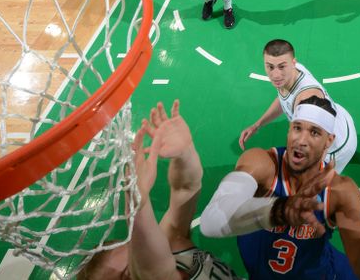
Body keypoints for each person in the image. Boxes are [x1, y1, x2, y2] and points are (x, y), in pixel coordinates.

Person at [202, 96, 360, 279]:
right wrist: (282, 209)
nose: (301, 140)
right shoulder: (261, 164)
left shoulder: (339, 191)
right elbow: (211, 221)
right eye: (297, 128)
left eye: (314, 132)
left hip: (322, 272)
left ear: (328, 141)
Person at [78, 100, 243, 279]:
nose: (138, 260)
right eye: (128, 275)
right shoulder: (155, 271)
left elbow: (186, 189)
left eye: (134, 251)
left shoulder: (172, 244)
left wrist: (185, 153)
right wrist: (137, 207)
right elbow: (152, 272)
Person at [239, 39, 358, 174]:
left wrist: (314, 173)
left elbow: (320, 141)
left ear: (293, 63)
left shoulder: (306, 100)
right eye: (270, 67)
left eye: (281, 67)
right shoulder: (291, 73)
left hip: (337, 148)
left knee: (321, 188)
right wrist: (257, 124)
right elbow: (283, 99)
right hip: (340, 120)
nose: (276, 74)